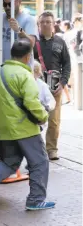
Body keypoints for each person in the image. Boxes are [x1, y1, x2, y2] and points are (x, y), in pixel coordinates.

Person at [0, 39, 54, 211]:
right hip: (26, 128)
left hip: (6, 129)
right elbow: (31, 102)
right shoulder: (25, 75)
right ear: (28, 56)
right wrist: (43, 115)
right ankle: (36, 200)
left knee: (9, 162)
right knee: (40, 162)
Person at [33, 11, 71, 161]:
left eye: (48, 21)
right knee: (35, 120)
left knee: (54, 121)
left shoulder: (60, 42)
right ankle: (35, 150)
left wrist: (63, 82)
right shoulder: (34, 42)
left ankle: (52, 149)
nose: (46, 24)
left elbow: (67, 63)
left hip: (56, 87)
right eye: (43, 22)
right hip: (36, 88)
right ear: (38, 24)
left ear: (53, 24)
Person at [2, 0, 38, 70]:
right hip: (3, 69)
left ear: (19, 2)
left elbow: (32, 43)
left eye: (10, 4)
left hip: (22, 71)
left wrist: (19, 30)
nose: (7, 7)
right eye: (5, 4)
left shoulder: (28, 19)